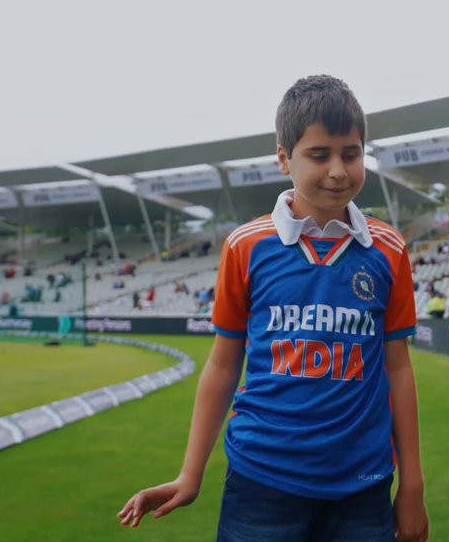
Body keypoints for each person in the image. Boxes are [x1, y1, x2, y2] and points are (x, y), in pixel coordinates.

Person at [118, 75, 428, 541]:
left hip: (363, 485)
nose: (338, 171)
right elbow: (223, 365)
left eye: (351, 153)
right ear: (284, 159)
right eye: (319, 155)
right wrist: (191, 473)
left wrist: (413, 486)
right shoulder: (245, 246)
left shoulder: (389, 248)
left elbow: (398, 368)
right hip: (261, 480)